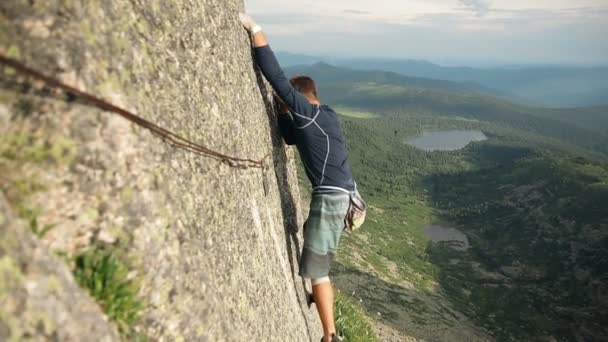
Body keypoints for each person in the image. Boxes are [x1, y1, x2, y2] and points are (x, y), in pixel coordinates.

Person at [239, 12, 360, 342]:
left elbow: (276, 78)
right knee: (310, 234)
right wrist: (281, 112)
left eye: (291, 103)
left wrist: (255, 30)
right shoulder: (327, 115)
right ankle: (317, 293)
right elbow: (291, 138)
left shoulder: (306, 112)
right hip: (346, 196)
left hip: (332, 198)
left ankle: (329, 335)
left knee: (318, 271)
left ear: (301, 100)